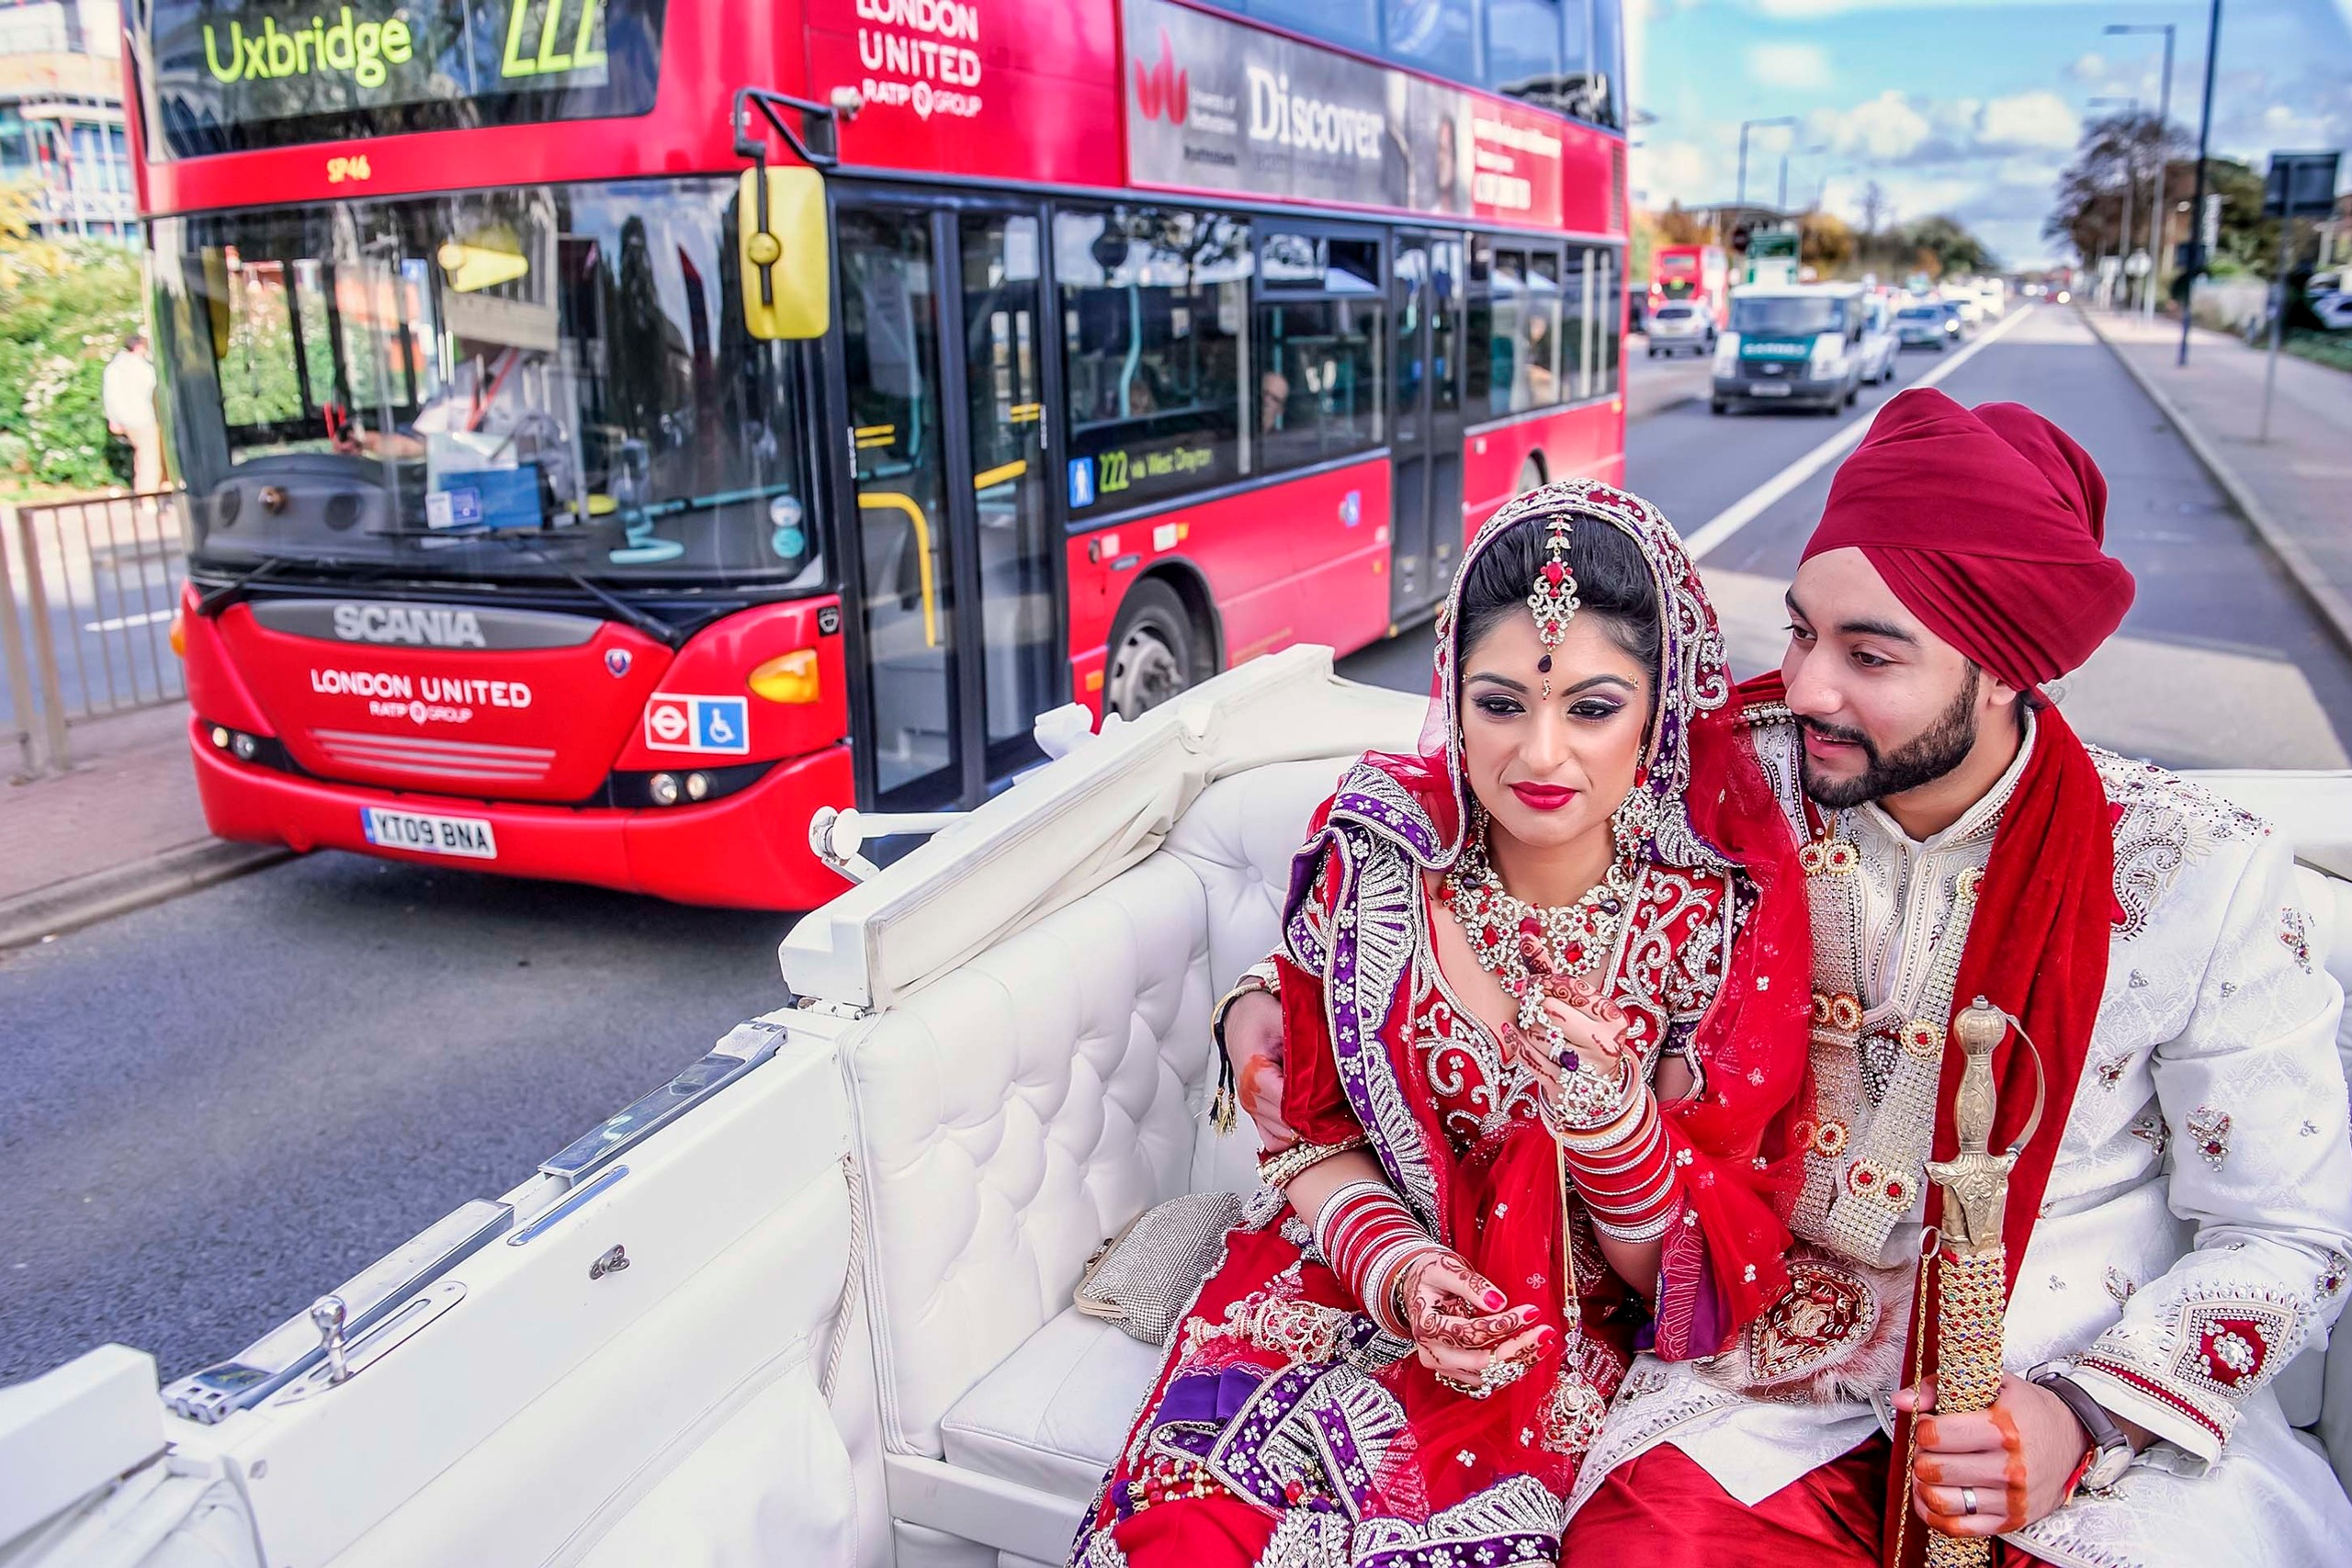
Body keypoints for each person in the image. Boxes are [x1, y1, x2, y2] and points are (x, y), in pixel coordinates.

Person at [1548, 388, 2352, 1565]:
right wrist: (1279, 989)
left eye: (1870, 654)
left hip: (2059, 1379)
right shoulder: (1726, 789)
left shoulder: (2189, 866)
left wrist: (2079, 1416)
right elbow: (1471, 814)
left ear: (2006, 674)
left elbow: (2292, 1232)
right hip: (1760, 1387)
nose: (1808, 687)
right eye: (1802, 631)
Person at [1071, 481, 1816, 1567]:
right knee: (1184, 1535)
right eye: (1501, 704)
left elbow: (1687, 1283)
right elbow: (1313, 1139)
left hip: (1561, 1330)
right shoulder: (1376, 856)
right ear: (1451, 696)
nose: (1541, 756)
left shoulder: (1712, 918)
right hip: (1346, 1274)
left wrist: (1610, 1128)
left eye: (1592, 708)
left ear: (1660, 709)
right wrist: (1402, 1274)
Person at [102, 333, 162, 495]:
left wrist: (113, 419)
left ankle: (142, 491)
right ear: (138, 347)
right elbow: (152, 386)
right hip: (143, 416)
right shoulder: (142, 367)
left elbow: (110, 395)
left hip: (125, 418)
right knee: (149, 458)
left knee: (140, 455)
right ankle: (149, 496)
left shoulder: (113, 367)